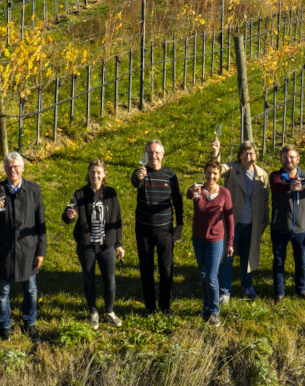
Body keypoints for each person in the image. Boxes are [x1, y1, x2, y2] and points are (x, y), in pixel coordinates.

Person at [0, 152, 47, 340]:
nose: (13, 170)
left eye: (16, 166)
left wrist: (41, 251)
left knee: (31, 290)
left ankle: (29, 323)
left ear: (23, 168)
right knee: (2, 291)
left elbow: (41, 222)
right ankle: (5, 326)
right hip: (4, 249)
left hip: (28, 249)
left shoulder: (34, 190)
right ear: (4, 169)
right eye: (9, 167)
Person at [63, 159, 124, 330]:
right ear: (88, 174)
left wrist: (118, 244)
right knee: (89, 279)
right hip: (87, 246)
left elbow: (117, 220)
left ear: (104, 174)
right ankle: (93, 311)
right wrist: (69, 215)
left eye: (98, 172)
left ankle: (109, 311)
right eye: (92, 172)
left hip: (106, 245)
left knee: (110, 281)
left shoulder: (111, 194)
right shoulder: (80, 194)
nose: (95, 175)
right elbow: (68, 214)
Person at [212, 138, 269, 303]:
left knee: (248, 257)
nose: (248, 156)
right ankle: (225, 292)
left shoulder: (262, 175)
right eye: (244, 153)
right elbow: (217, 169)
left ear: (256, 155)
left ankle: (247, 286)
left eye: (251, 153)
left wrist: (264, 222)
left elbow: (265, 202)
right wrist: (216, 153)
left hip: (252, 224)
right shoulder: (232, 169)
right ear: (239, 156)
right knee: (227, 257)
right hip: (232, 223)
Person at [131, 139, 184, 316]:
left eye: (156, 152)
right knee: (146, 270)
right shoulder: (141, 173)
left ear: (162, 154)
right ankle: (150, 307)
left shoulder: (170, 175)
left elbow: (177, 201)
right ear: (145, 155)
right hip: (144, 230)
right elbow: (135, 182)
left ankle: (165, 306)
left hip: (165, 230)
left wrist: (179, 225)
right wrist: (138, 177)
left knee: (166, 269)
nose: (153, 156)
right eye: (150, 152)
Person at [186, 159, 234, 327]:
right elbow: (189, 195)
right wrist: (191, 191)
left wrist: (230, 243)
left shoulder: (224, 193)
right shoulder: (198, 189)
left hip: (215, 241)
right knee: (203, 274)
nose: (211, 176)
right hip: (198, 239)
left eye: (214, 173)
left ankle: (214, 311)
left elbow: (229, 219)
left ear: (219, 175)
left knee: (212, 277)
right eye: (208, 172)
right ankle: (206, 306)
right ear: (204, 172)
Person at [269, 144, 305, 304]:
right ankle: (279, 292)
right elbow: (276, 186)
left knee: (301, 262)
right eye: (285, 157)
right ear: (281, 159)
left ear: (298, 159)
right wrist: (289, 186)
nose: (288, 160)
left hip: (301, 229)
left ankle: (301, 290)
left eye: (291, 157)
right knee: (278, 261)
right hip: (280, 228)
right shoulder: (276, 176)